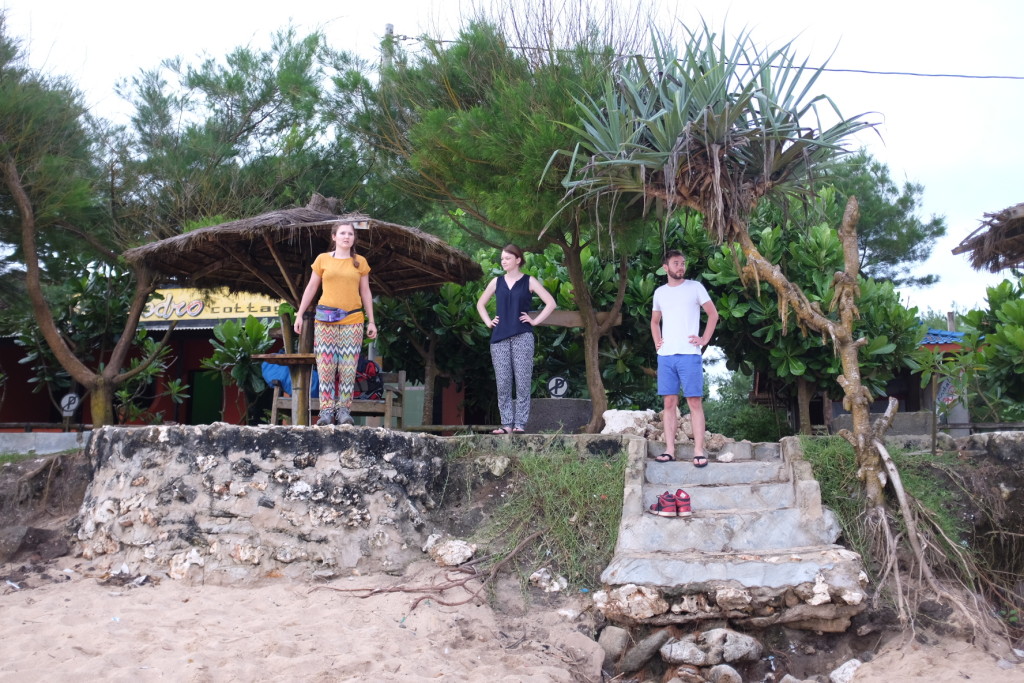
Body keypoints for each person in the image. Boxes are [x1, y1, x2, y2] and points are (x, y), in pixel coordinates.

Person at [294, 221, 377, 426]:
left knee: (348, 368)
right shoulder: (322, 259)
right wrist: (299, 314)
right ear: (334, 237)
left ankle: (343, 412)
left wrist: (372, 321)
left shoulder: (360, 262)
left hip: (353, 320)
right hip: (325, 320)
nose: (346, 237)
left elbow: (365, 292)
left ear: (354, 238)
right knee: (326, 367)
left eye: (350, 234)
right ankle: (326, 412)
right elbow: (312, 287)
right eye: (342, 233)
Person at [476, 244, 557, 434]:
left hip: (523, 336)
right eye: (502, 258)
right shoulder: (496, 282)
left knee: (522, 382)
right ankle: (506, 424)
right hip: (499, 339)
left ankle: (520, 424)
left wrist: (535, 321)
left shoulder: (529, 281)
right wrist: (489, 322)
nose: (503, 261)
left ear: (518, 260)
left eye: (507, 258)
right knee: (503, 382)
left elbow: (551, 303)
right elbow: (480, 304)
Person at [650, 250, 719, 465]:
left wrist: (704, 339)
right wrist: (657, 342)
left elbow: (713, 314)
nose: (681, 266)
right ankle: (669, 450)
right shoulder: (659, 292)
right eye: (676, 263)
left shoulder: (695, 287)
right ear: (666, 267)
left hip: (689, 354)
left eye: (683, 263)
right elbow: (654, 321)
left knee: (694, 402)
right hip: (666, 356)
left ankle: (699, 450)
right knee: (669, 403)